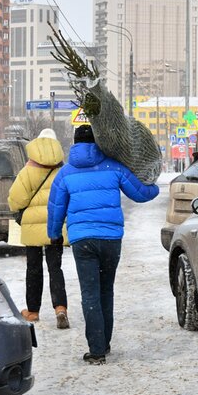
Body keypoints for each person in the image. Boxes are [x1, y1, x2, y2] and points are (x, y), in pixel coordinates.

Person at [47, 125, 160, 364]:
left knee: (90, 294)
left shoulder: (65, 174)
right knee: (105, 290)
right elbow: (140, 194)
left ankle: (96, 350)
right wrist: (155, 187)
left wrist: (54, 234)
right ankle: (105, 343)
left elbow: (56, 208)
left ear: (75, 144)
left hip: (82, 241)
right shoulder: (113, 166)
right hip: (110, 239)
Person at [8, 128, 69, 329]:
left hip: (32, 227)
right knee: (55, 267)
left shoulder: (27, 171)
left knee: (33, 269)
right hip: (56, 226)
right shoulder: (63, 170)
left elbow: (16, 200)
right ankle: (60, 308)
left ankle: (33, 311)